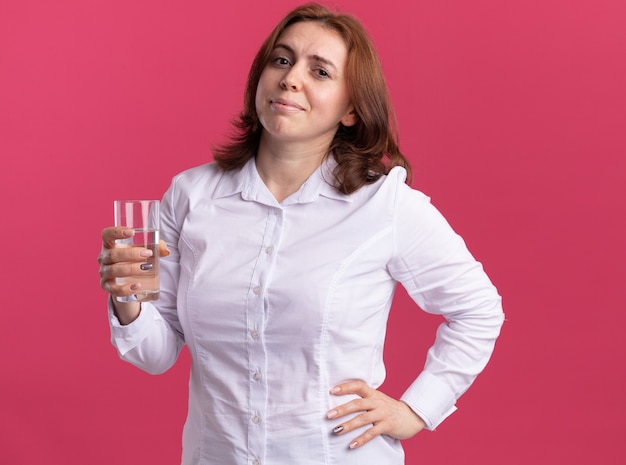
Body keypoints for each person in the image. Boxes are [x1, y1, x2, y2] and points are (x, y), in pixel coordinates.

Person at [98, 3, 504, 465]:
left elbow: (478, 309)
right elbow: (156, 353)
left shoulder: (383, 205)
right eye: (283, 60)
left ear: (351, 108)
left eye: (321, 71)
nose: (292, 79)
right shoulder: (191, 197)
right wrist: (127, 297)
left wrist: (418, 408)